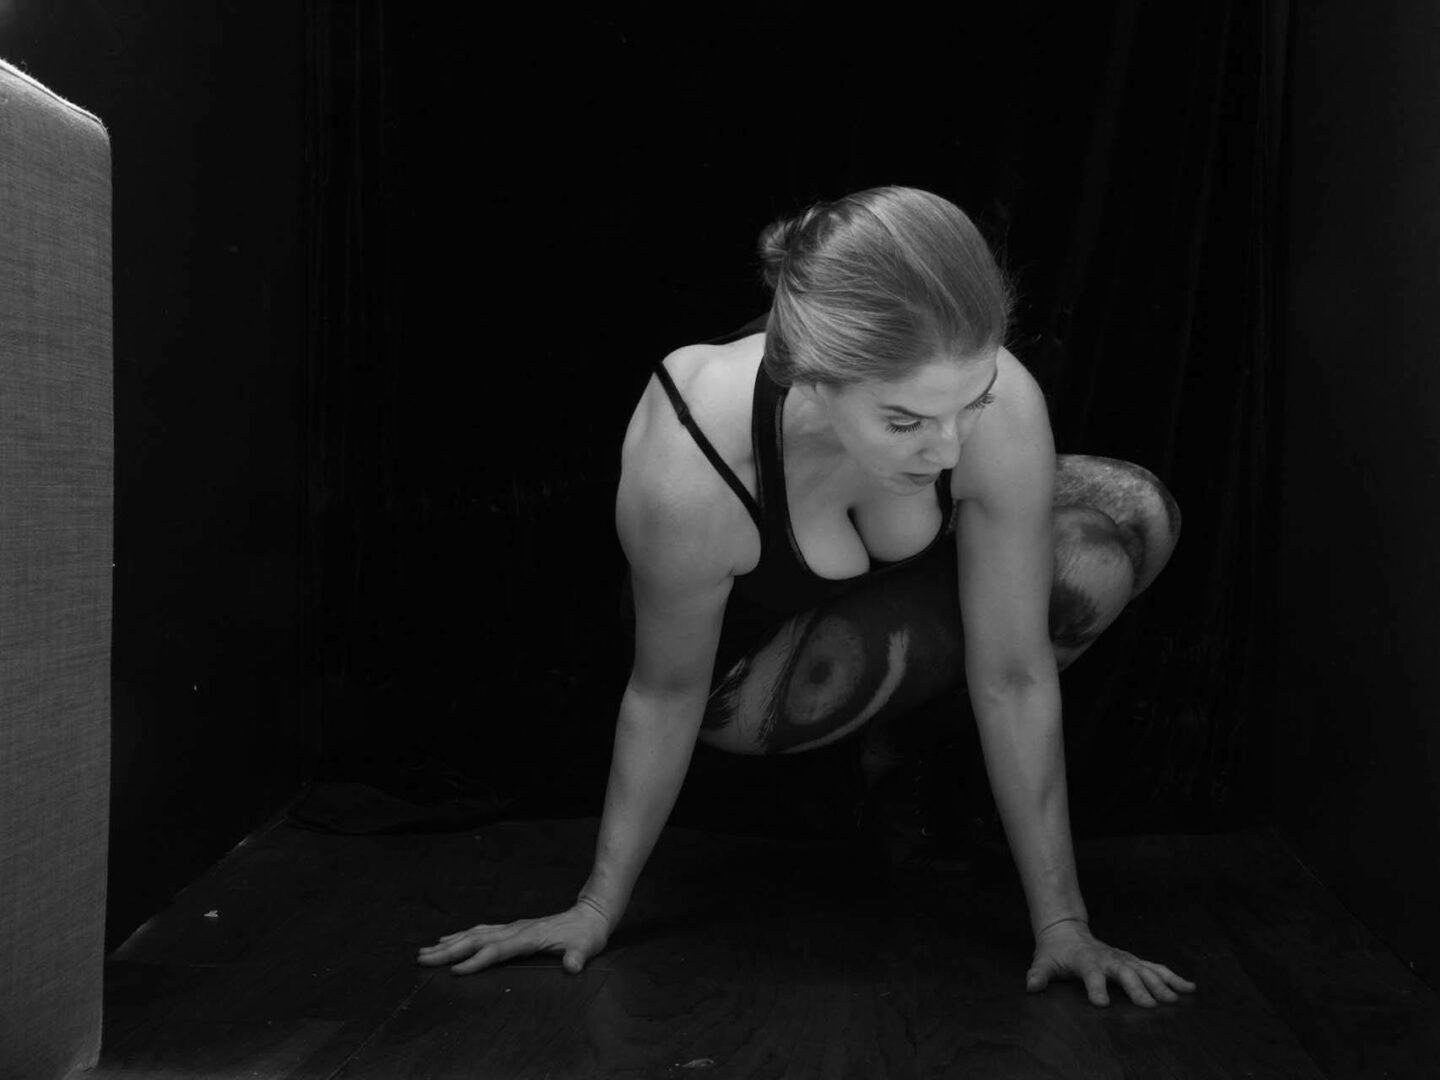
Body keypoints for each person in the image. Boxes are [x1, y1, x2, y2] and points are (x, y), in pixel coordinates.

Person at [417, 186, 1196, 1008]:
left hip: (875, 610)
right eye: (905, 422)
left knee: (1130, 518)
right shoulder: (692, 457)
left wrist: (1063, 925)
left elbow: (1015, 670)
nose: (950, 445)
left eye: (970, 404)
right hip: (743, 685)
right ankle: (877, 760)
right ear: (814, 381)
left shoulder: (987, 400)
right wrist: (595, 907)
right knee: (1076, 550)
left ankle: (909, 761)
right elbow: (665, 691)